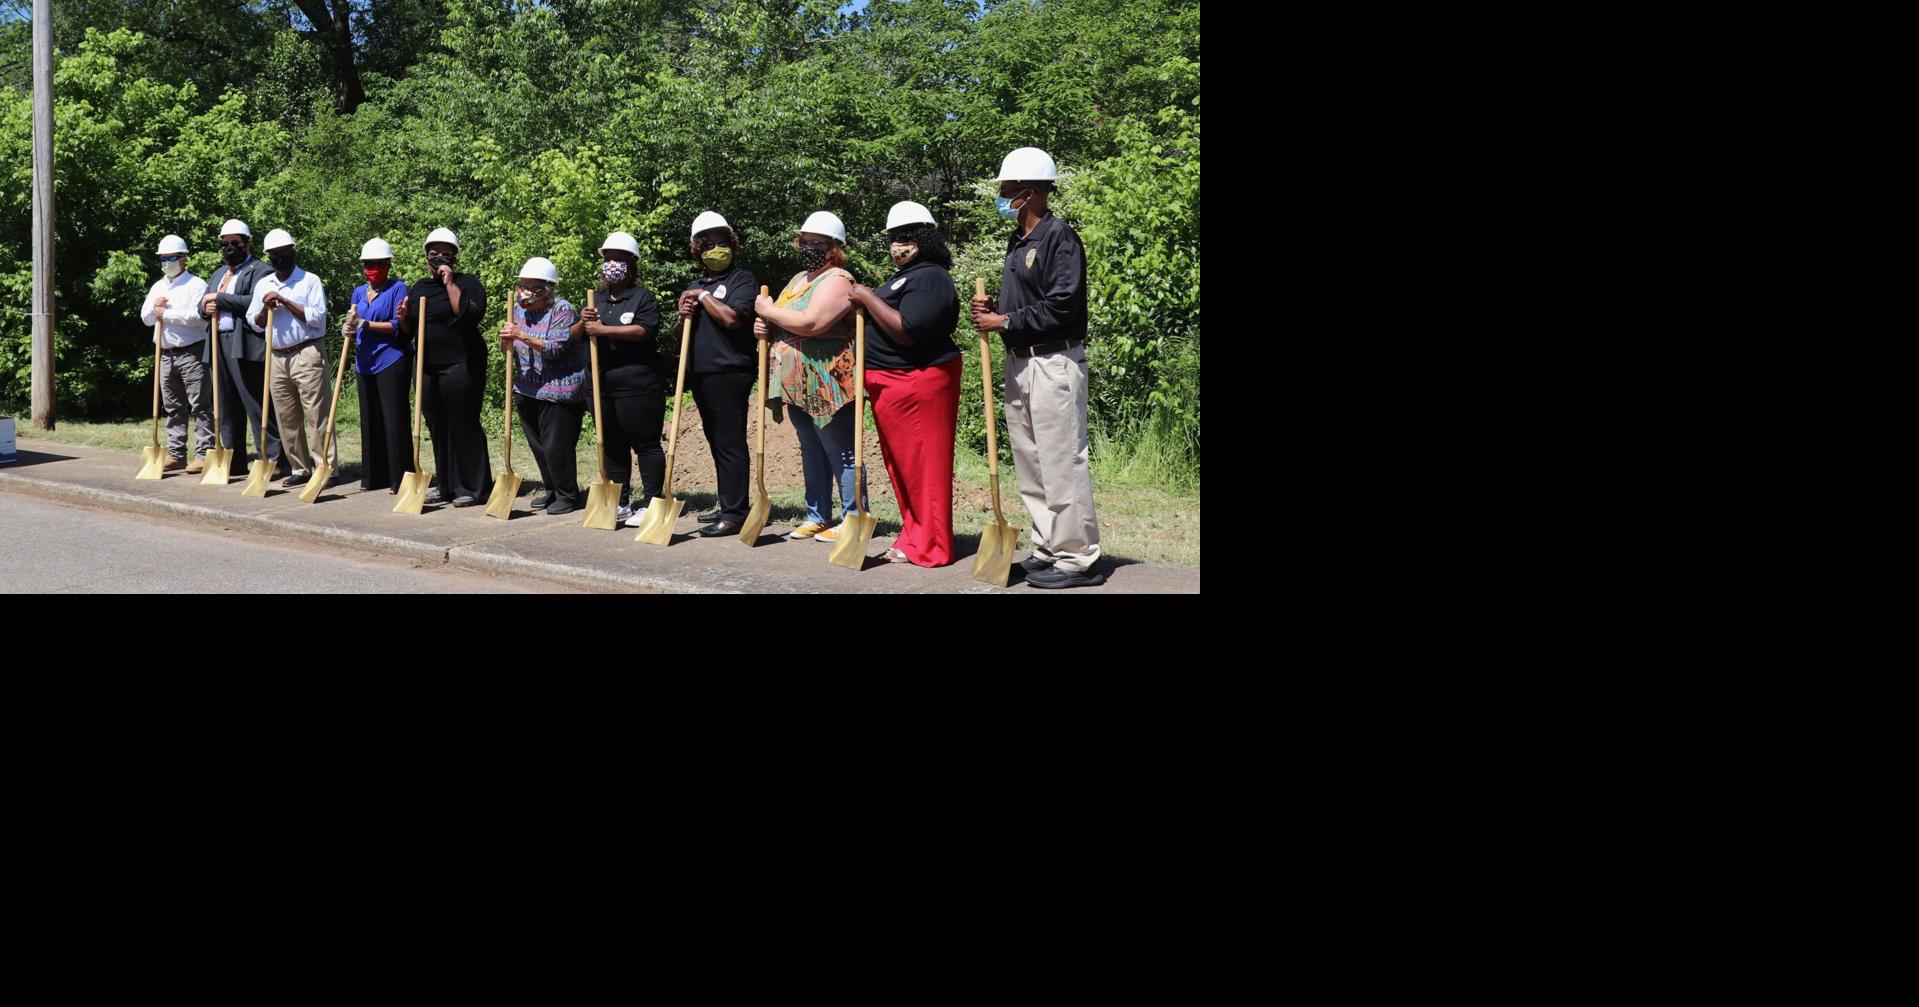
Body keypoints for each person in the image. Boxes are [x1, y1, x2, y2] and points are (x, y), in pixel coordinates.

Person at [970, 147, 1105, 588]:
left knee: (1061, 458)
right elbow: (1030, 300)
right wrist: (997, 307)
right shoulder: (1019, 241)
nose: (1002, 196)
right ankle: (1048, 546)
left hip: (1054, 361)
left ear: (1029, 192)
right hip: (1020, 362)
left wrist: (1005, 319)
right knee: (1031, 462)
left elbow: (1064, 306)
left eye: (1007, 190)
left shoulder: (1059, 237)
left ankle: (1078, 558)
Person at [844, 201, 963, 566]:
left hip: (917, 382)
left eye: (907, 237)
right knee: (903, 468)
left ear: (926, 238)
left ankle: (932, 546)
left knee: (924, 467)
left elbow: (909, 330)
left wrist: (865, 296)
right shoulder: (903, 278)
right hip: (890, 386)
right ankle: (913, 535)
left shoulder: (930, 277)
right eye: (894, 238)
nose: (898, 244)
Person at [754, 211, 867, 543]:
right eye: (805, 241)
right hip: (796, 382)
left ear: (835, 248)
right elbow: (783, 318)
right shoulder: (798, 278)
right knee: (810, 448)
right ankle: (817, 515)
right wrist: (764, 324)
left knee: (840, 448)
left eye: (818, 243)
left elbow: (813, 322)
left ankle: (855, 516)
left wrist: (767, 311)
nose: (809, 247)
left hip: (829, 378)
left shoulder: (838, 280)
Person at [664, 211, 758, 537]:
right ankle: (728, 501)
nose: (716, 248)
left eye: (722, 241)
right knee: (716, 441)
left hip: (730, 371)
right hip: (701, 372)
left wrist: (703, 298)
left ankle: (736, 513)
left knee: (730, 442)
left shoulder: (741, 280)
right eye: (709, 242)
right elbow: (681, 332)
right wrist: (682, 315)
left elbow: (733, 319)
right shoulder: (696, 286)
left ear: (732, 244)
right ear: (697, 248)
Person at [395, 227, 492, 506]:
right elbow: (409, 330)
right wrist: (403, 317)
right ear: (426, 256)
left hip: (461, 363)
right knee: (437, 424)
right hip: (427, 365)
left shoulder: (467, 282)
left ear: (454, 256)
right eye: (433, 253)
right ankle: (447, 483)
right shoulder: (419, 287)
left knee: (463, 422)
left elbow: (470, 314)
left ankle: (474, 486)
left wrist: (450, 283)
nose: (438, 257)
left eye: (445, 253)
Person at [581, 231, 663, 522]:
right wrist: (584, 322)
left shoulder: (643, 298)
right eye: (608, 258)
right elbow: (578, 336)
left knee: (645, 444)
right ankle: (619, 500)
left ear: (631, 263)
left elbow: (645, 331)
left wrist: (604, 330)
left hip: (637, 385)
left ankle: (653, 501)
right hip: (601, 386)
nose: (612, 263)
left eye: (618, 258)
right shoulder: (597, 298)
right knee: (612, 445)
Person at [499, 257, 587, 515]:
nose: (523, 293)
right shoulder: (518, 310)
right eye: (522, 286)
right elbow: (509, 348)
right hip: (526, 387)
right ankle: (552, 489)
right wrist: (506, 340)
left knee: (556, 445)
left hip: (559, 389)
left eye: (531, 287)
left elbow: (555, 349)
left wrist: (522, 335)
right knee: (538, 446)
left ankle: (568, 494)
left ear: (547, 289)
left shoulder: (563, 310)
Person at [245, 228, 331, 487]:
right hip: (277, 355)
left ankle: (325, 467)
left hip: (306, 351)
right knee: (286, 416)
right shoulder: (264, 284)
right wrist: (265, 308)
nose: (279, 258)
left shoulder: (309, 280)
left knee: (317, 413)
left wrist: (285, 301)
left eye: (284, 253)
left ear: (293, 252)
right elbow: (254, 322)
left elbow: (318, 319)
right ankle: (300, 467)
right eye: (274, 255)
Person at [197, 218, 282, 477]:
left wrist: (219, 299)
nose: (230, 248)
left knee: (256, 403)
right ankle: (233, 460)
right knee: (224, 404)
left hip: (245, 343)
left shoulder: (261, 271)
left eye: (235, 243)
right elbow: (205, 303)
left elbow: (254, 302)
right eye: (225, 244)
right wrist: (204, 307)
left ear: (247, 244)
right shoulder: (218, 274)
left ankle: (274, 458)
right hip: (217, 343)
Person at [139, 233, 213, 473]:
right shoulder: (158, 286)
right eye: (162, 258)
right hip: (165, 352)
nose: (166, 262)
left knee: (200, 404)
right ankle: (176, 453)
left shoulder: (196, 285)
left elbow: (196, 316)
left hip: (191, 352)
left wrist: (166, 314)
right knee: (172, 406)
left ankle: (203, 453)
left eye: (171, 257)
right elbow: (146, 318)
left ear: (183, 259)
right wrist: (156, 308)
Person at [344, 238, 412, 492]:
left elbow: (398, 326)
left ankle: (400, 478)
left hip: (391, 359)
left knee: (394, 420)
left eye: (378, 264)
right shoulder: (359, 292)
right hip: (365, 362)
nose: (372, 268)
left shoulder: (398, 289)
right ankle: (374, 477)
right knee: (369, 421)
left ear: (387, 265)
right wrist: (349, 328)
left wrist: (366, 324)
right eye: (368, 264)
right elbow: (353, 322)